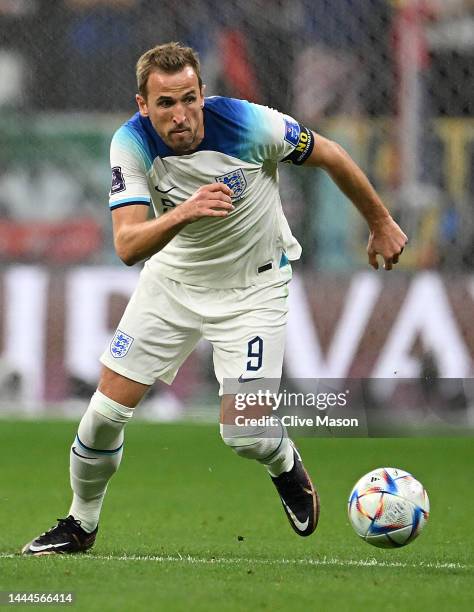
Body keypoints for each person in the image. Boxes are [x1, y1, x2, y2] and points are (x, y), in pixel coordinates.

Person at [22, 42, 407, 555]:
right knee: (103, 414)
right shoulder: (130, 145)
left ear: (203, 93)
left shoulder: (252, 126)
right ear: (143, 105)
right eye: (165, 104)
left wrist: (380, 222)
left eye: (189, 99)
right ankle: (80, 522)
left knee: (243, 435)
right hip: (173, 284)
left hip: (255, 287)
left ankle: (283, 462)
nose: (180, 116)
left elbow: (330, 154)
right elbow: (127, 246)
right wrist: (186, 211)